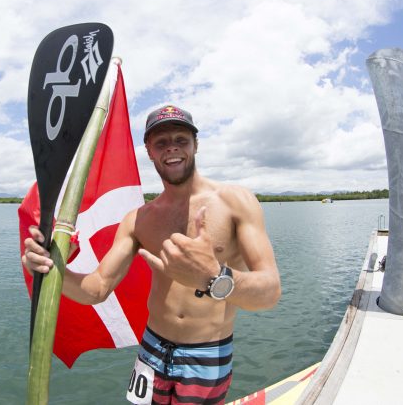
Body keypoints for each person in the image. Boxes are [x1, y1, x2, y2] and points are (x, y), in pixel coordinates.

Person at [22, 104, 281, 404]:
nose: (172, 148)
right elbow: (97, 289)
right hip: (151, 350)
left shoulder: (236, 202)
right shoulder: (139, 219)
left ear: (196, 144)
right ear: (149, 151)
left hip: (207, 352)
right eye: (161, 143)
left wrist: (214, 278)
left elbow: (270, 291)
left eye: (181, 140)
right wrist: (50, 268)